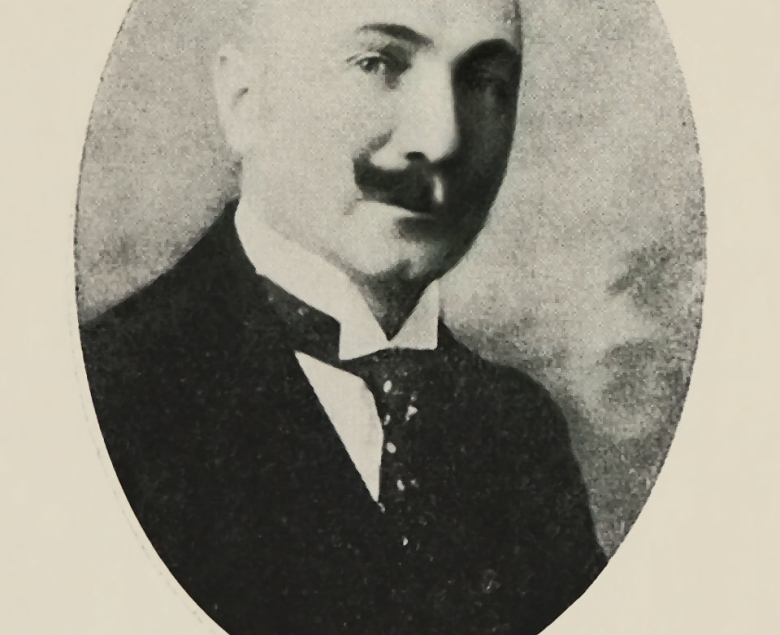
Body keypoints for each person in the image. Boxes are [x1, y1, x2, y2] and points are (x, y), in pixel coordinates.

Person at [80, 0, 607, 633]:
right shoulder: (100, 404)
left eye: (485, 83)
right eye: (378, 63)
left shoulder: (520, 431)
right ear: (244, 100)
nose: (442, 141)